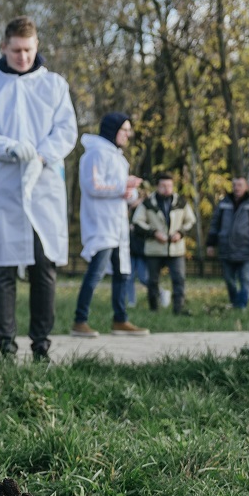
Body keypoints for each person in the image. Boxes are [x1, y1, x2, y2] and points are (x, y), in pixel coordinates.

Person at [0, 17, 77, 362]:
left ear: (37, 46)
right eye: (16, 50)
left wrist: (43, 154)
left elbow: (66, 129)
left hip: (43, 185)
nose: (23, 57)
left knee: (43, 265)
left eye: (28, 50)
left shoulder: (55, 85)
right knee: (2, 265)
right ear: (4, 47)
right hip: (2, 185)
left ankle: (41, 344)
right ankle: (5, 346)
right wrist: (8, 147)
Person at [71, 114, 147, 337]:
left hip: (118, 224)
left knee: (123, 273)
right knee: (96, 272)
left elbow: (121, 190)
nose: (128, 135)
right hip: (101, 223)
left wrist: (133, 194)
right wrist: (124, 185)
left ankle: (120, 319)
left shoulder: (118, 157)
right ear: (112, 129)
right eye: (124, 129)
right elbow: (93, 186)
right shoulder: (95, 154)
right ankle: (80, 320)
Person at [132, 172, 198, 316]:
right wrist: (153, 233)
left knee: (179, 279)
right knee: (153, 281)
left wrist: (180, 233)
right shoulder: (148, 203)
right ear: (157, 186)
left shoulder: (181, 202)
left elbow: (190, 221)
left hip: (176, 249)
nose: (166, 189)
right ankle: (154, 310)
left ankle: (178, 310)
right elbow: (137, 222)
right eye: (163, 186)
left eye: (169, 185)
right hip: (154, 248)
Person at [206, 176, 249, 313]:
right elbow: (215, 224)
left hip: (247, 249)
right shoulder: (223, 203)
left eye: (240, 185)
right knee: (229, 280)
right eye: (234, 185)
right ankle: (235, 303)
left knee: (245, 279)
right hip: (226, 249)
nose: (236, 188)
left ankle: (242, 307)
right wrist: (210, 244)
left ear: (247, 187)